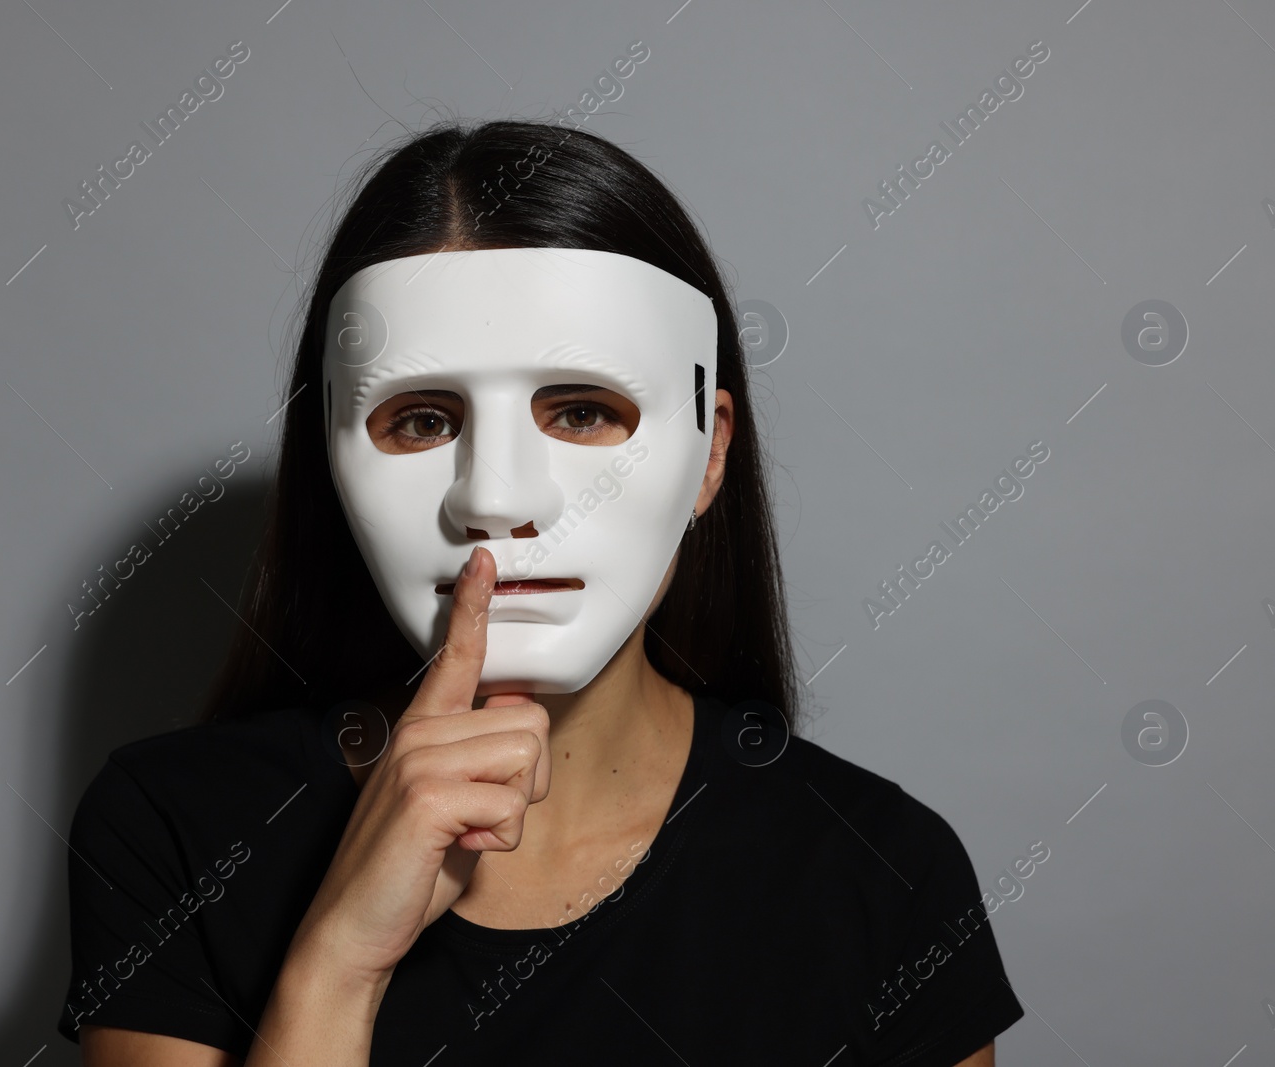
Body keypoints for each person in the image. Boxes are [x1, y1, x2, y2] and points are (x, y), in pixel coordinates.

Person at [56, 118, 1025, 1066]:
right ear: (333, 461)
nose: (496, 499)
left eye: (581, 410)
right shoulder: (176, 833)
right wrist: (340, 958)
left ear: (709, 454)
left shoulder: (881, 878)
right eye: (423, 417)